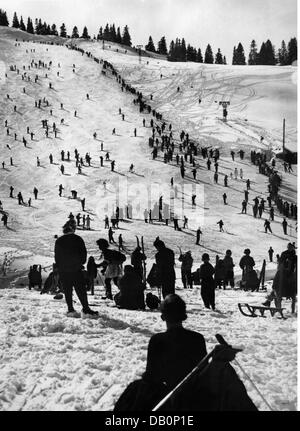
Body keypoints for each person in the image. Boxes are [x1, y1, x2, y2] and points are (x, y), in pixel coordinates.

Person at [54, 220, 98, 318]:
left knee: (67, 290)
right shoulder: (78, 239)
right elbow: (83, 256)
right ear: (73, 229)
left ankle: (70, 309)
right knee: (80, 289)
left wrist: (61, 266)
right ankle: (85, 309)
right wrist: (79, 263)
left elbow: (57, 257)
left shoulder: (59, 240)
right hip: (76, 269)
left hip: (64, 271)